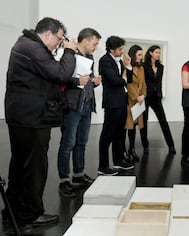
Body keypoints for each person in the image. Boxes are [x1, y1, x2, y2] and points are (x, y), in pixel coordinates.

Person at [3, 17, 87, 227]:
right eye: (59, 39)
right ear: (48, 33)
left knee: (20, 165)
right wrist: (69, 51)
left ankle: (12, 211)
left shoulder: (26, 44)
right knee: (34, 167)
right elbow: (60, 73)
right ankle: (29, 215)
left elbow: (50, 75)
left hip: (24, 116)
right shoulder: (33, 48)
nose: (59, 43)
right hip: (32, 118)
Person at [57, 28, 102, 197]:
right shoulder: (69, 55)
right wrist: (78, 81)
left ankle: (78, 174)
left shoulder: (90, 57)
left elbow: (86, 81)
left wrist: (94, 82)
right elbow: (60, 77)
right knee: (68, 143)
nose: (96, 47)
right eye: (95, 43)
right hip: (72, 105)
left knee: (81, 142)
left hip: (87, 104)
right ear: (85, 41)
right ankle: (64, 180)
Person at [98, 36, 134, 176]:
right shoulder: (105, 61)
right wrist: (123, 77)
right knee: (107, 134)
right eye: (120, 49)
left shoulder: (119, 61)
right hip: (112, 103)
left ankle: (118, 160)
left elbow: (128, 79)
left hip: (121, 101)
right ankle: (103, 165)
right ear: (111, 49)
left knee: (120, 133)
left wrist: (128, 66)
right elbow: (115, 81)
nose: (122, 51)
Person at [140, 45, 176, 155]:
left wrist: (160, 94)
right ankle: (145, 145)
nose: (158, 54)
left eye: (159, 53)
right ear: (150, 53)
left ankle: (171, 145)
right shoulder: (144, 66)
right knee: (144, 123)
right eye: (156, 52)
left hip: (156, 97)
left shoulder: (161, 66)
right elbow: (142, 82)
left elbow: (159, 82)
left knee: (163, 121)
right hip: (146, 97)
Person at [124, 45, 146, 162]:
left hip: (139, 101)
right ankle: (126, 152)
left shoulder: (141, 68)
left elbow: (143, 84)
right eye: (139, 55)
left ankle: (131, 149)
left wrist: (143, 95)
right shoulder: (127, 67)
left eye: (141, 55)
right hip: (130, 101)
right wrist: (136, 96)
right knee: (128, 126)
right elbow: (128, 84)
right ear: (133, 55)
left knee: (134, 127)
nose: (141, 57)